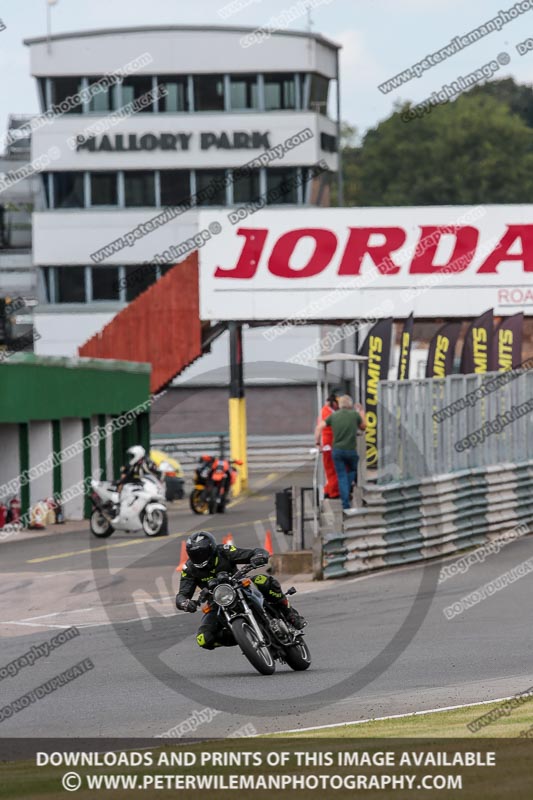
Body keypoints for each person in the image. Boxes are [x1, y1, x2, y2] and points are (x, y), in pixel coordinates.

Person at [175, 531, 306, 650]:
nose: (199, 557)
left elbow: (251, 553)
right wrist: (184, 603)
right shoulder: (189, 568)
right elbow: (182, 594)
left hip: (240, 585)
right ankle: (244, 637)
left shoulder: (224, 551)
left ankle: (290, 613)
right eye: (195, 555)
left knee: (264, 581)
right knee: (203, 639)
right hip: (217, 601)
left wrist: (259, 555)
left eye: (202, 553)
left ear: (211, 549)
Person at [314, 395, 367, 510]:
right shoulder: (354, 415)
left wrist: (318, 443)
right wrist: (361, 412)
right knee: (352, 471)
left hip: (337, 451)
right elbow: (363, 426)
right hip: (350, 450)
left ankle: (345, 504)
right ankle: (347, 490)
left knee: (341, 475)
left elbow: (319, 428)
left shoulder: (333, 416)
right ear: (350, 405)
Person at [112, 445, 162, 522]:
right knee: (124, 488)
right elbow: (126, 474)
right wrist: (121, 481)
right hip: (133, 484)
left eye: (132, 456)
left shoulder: (147, 462)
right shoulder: (132, 465)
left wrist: (158, 479)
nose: (131, 458)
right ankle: (118, 506)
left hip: (144, 484)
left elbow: (157, 471)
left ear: (137, 454)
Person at [317, 390, 340, 499]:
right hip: (330, 442)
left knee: (331, 469)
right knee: (333, 469)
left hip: (330, 442)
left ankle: (328, 489)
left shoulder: (326, 411)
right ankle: (333, 492)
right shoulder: (328, 412)